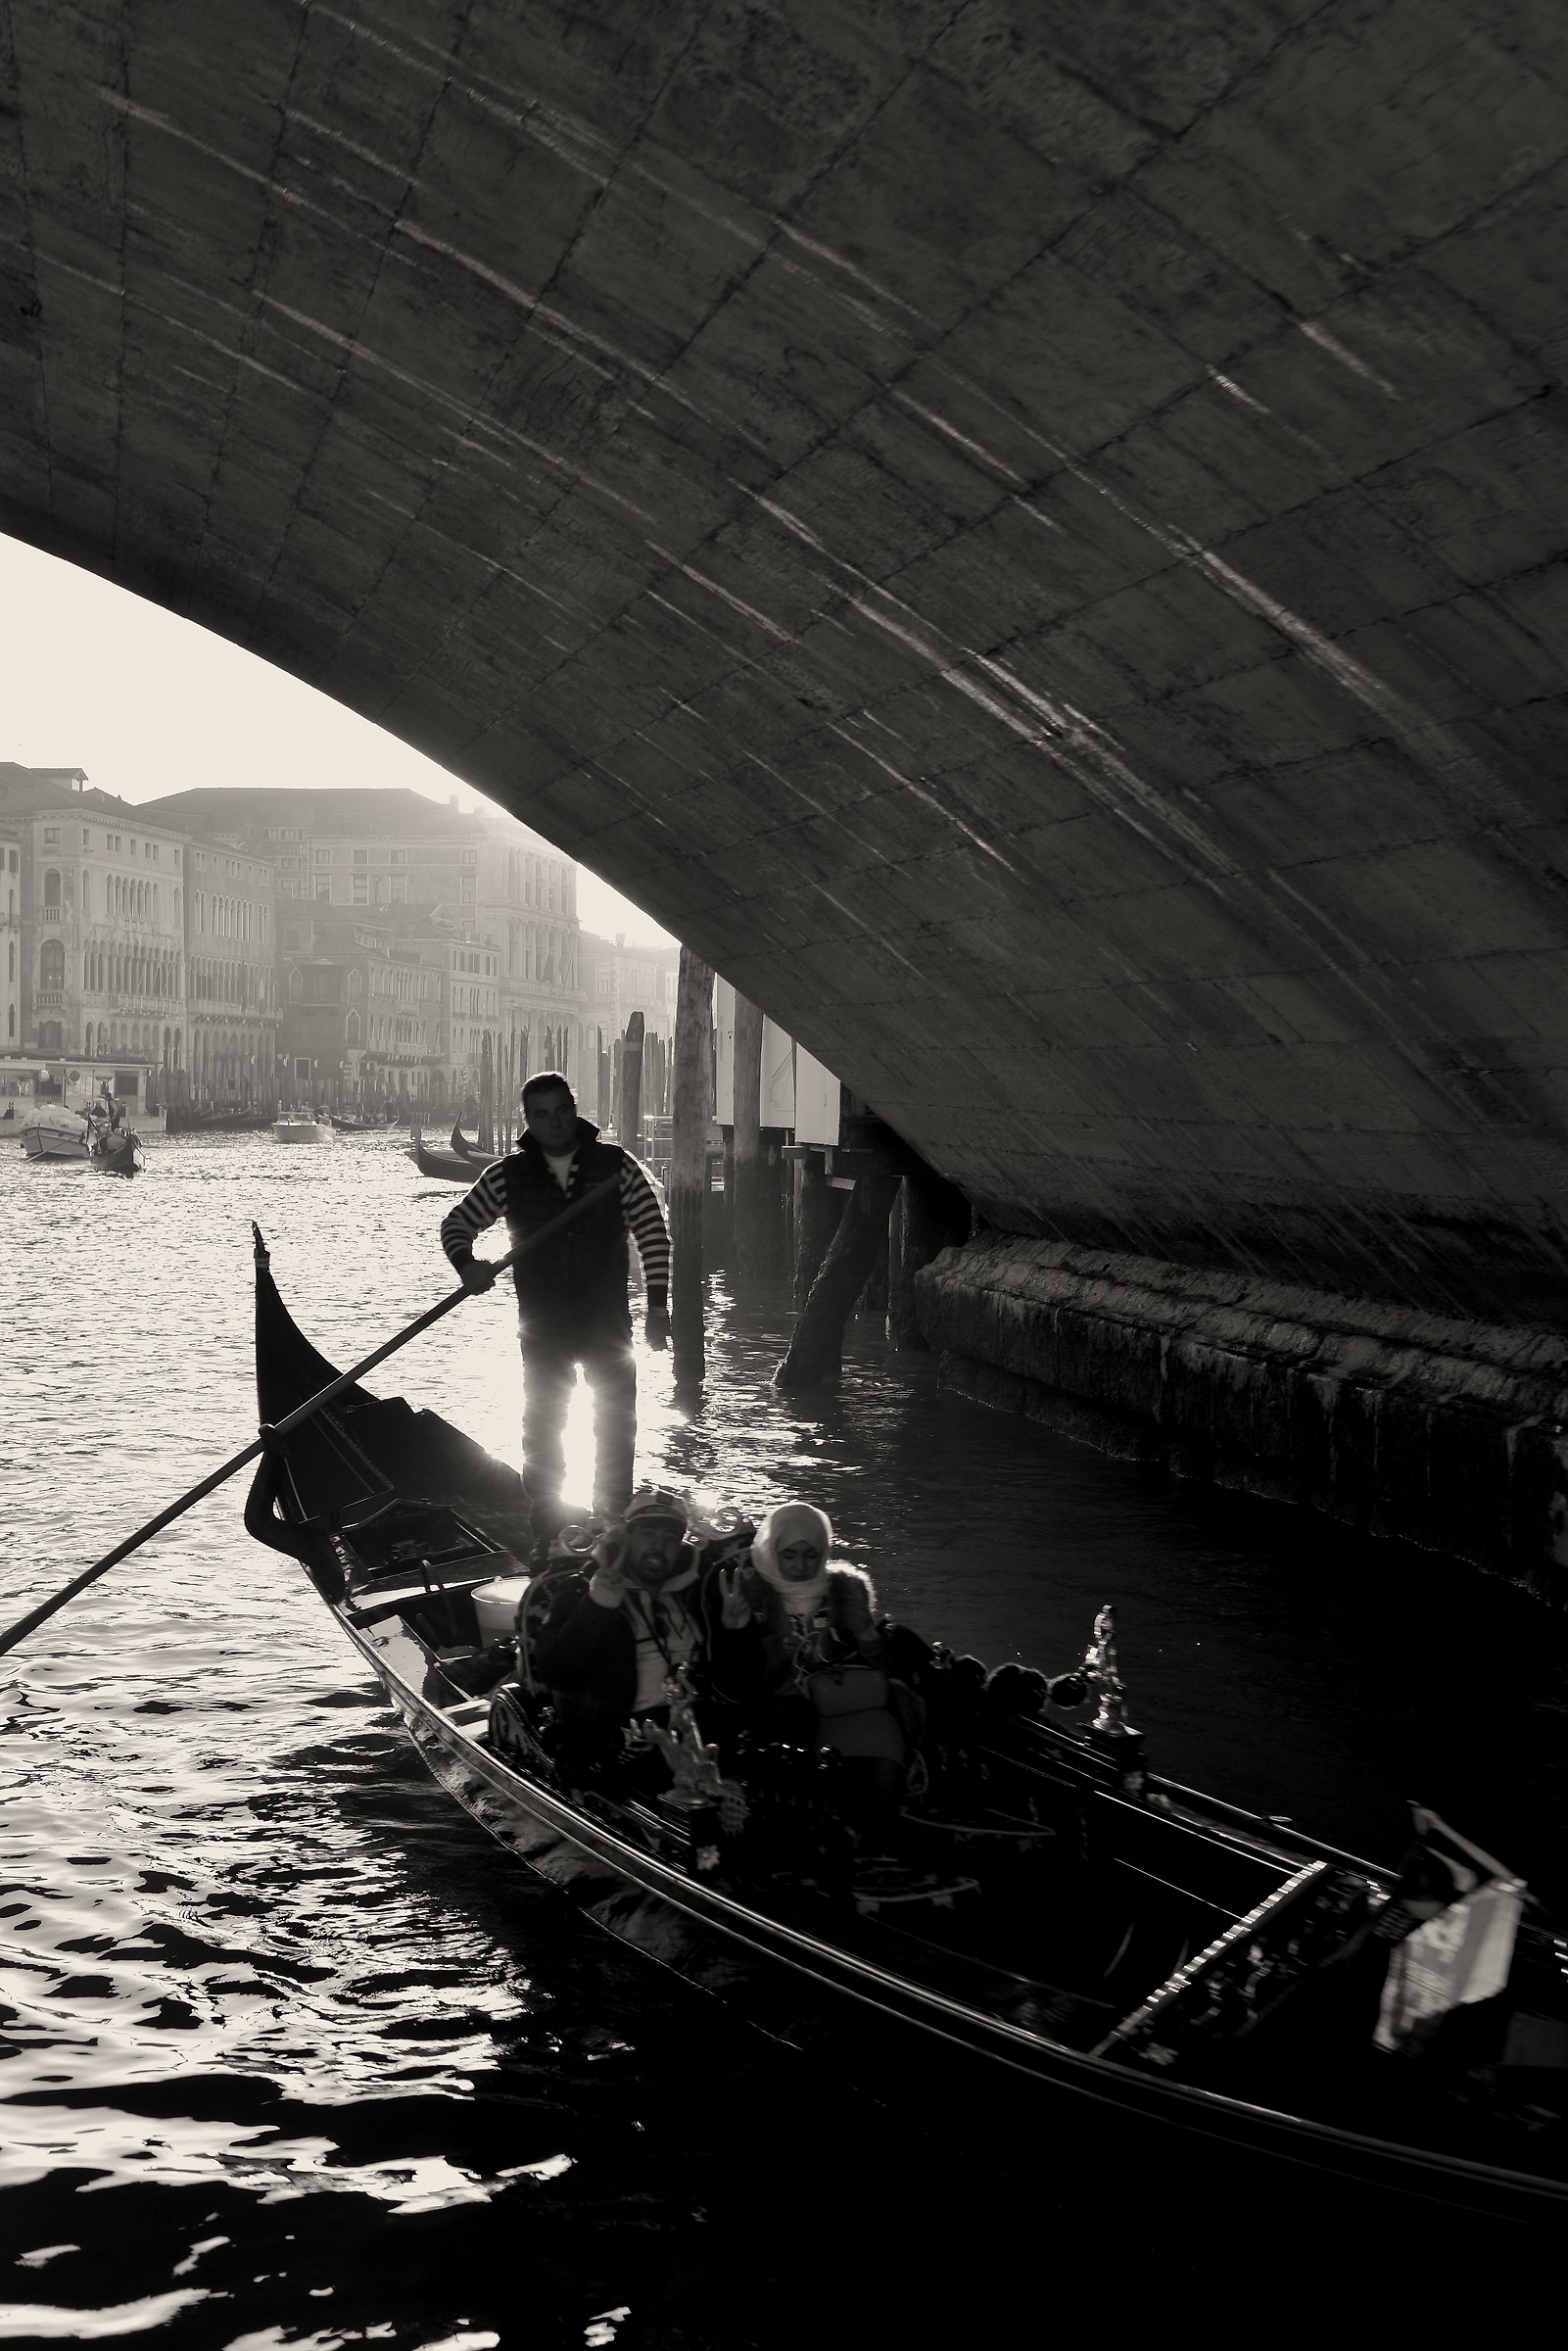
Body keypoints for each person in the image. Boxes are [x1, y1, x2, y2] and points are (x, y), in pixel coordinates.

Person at [439, 1071, 672, 1542]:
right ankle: (549, 1533)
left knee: (614, 1429)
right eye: (543, 1115)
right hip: (543, 1329)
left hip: (607, 1324)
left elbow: (653, 1236)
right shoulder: (506, 1176)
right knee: (544, 1433)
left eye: (562, 1110)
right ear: (529, 1120)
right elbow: (456, 1225)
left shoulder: (615, 1167)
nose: (556, 1123)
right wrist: (469, 1267)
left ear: (574, 1108)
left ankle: (610, 1530)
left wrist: (659, 1308)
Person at [530, 1485, 757, 1775]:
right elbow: (554, 1670)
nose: (659, 1546)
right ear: (627, 1537)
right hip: (619, 1738)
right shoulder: (581, 1587)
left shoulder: (702, 1592)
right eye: (648, 1533)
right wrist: (598, 1605)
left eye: (670, 1538)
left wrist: (736, 1633)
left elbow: (742, 1687)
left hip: (701, 1724)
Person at [730, 1502, 925, 1809]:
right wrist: (777, 1650)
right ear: (773, 1551)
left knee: (885, 1744)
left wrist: (866, 1635)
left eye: (811, 1555)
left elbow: (876, 1668)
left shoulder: (845, 1592)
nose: (801, 1567)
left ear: (823, 1552)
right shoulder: (753, 1597)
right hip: (781, 1705)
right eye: (789, 1555)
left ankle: (877, 1826)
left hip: (841, 1698)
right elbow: (739, 1673)